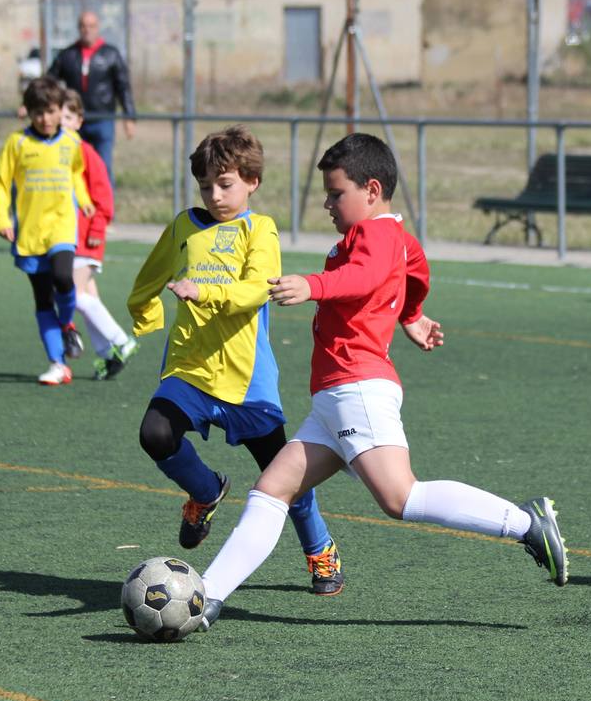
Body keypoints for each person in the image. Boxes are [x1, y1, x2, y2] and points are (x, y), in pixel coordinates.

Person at [194, 132, 569, 630]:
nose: (327, 204)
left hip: (357, 388)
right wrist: (411, 314)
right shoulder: (390, 233)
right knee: (271, 490)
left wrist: (313, 286)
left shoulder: (375, 235)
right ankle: (207, 595)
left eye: (335, 193)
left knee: (401, 498)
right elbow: (415, 264)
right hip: (335, 398)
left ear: (372, 190)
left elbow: (366, 277)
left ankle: (525, 524)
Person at [126, 125, 346, 596]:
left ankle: (320, 549)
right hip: (189, 368)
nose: (214, 194)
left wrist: (203, 291)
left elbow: (255, 290)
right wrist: (145, 314)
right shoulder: (185, 225)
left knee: (284, 477)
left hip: (246, 381)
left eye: (224, 184)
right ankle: (205, 491)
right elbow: (150, 276)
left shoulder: (258, 229)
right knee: (154, 433)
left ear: (252, 182)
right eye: (206, 185)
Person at [0, 77, 94, 386]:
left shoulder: (71, 143)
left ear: (61, 110)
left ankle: (67, 324)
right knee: (42, 298)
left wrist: (84, 199)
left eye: (50, 111)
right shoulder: (18, 143)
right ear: (29, 113)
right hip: (30, 233)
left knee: (63, 277)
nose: (45, 119)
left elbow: (75, 173)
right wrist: (0, 219)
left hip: (61, 226)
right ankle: (57, 363)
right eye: (38, 113)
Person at [60, 90, 139, 381]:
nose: (61, 123)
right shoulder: (57, 154)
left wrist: (95, 230)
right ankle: (108, 354)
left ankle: (121, 341)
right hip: (69, 237)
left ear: (79, 121)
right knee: (86, 297)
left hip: (86, 238)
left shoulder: (85, 153)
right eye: (58, 117)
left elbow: (103, 197)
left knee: (73, 295)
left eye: (68, 117)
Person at [48, 10, 135, 187]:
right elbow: (49, 81)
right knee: (75, 167)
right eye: (83, 26)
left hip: (103, 120)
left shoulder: (111, 54)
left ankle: (105, 210)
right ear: (79, 28)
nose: (87, 30)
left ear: (98, 27)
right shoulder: (68, 55)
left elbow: (123, 86)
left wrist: (129, 116)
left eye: (91, 26)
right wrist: (31, 104)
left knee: (102, 167)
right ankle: (78, 209)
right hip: (74, 122)